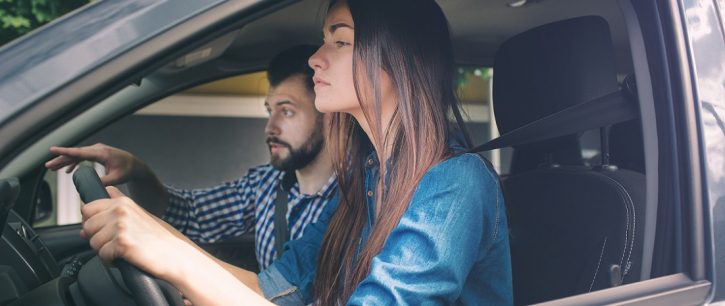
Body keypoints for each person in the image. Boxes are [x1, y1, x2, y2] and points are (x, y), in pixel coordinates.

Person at [76, 0, 513, 305]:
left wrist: (175, 257)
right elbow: (272, 288)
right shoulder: (365, 183)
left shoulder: (455, 183)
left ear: (402, 58)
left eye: (339, 41)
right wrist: (149, 232)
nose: (316, 59)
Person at [45, 44, 337, 271]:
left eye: (286, 111)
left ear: (329, 117)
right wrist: (138, 170)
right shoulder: (267, 184)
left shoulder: (357, 200)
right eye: (268, 110)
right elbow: (189, 214)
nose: (270, 127)